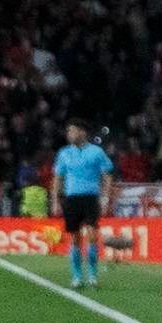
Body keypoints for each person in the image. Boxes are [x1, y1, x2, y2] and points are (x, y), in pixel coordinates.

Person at [51, 121, 113, 289]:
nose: (69, 134)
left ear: (82, 132)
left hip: (91, 198)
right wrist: (55, 200)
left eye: (73, 131)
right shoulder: (64, 153)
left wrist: (106, 198)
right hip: (71, 199)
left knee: (92, 234)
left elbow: (107, 175)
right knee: (75, 238)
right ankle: (77, 276)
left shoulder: (97, 152)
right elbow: (58, 177)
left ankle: (93, 275)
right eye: (68, 131)